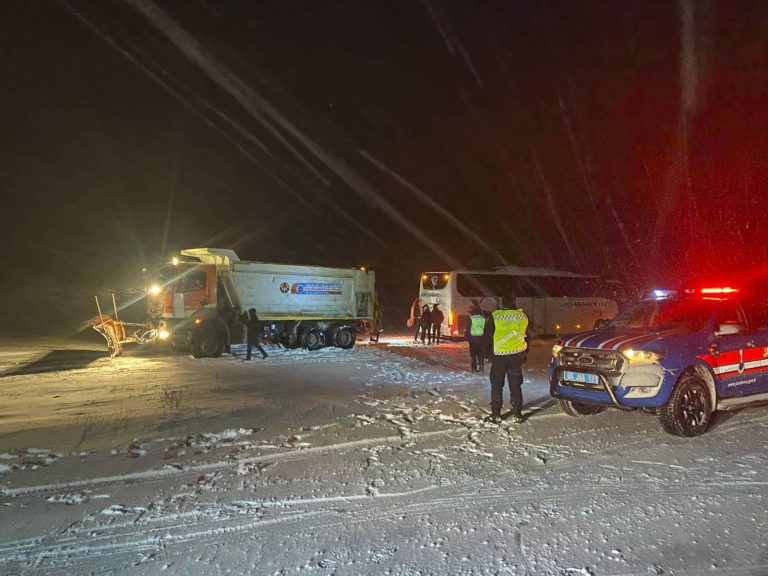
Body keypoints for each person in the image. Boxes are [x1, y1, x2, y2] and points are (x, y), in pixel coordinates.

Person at [482, 296, 529, 424]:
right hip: (516, 355)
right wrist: (525, 351)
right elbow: (527, 334)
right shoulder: (522, 316)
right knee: (515, 385)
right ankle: (517, 413)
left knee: (497, 384)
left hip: (499, 356)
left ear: (502, 304)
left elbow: (487, 336)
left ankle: (496, 414)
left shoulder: (495, 317)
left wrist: (486, 353)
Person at [464, 305, 486, 372]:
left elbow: (468, 329)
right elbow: (485, 328)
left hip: (473, 338)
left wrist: (466, 337)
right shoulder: (483, 318)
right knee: (480, 353)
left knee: (473, 354)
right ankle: (481, 365)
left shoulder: (471, 318)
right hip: (481, 337)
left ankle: (474, 368)